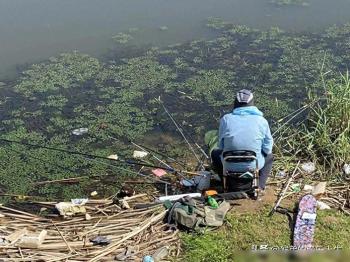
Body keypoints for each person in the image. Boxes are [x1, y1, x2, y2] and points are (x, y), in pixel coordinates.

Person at [210, 89, 273, 191]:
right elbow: (267, 149)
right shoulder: (262, 121)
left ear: (235, 103)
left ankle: (225, 183)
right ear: (252, 104)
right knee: (270, 157)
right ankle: (260, 187)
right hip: (254, 164)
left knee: (214, 153)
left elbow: (220, 146)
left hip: (228, 165)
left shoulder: (226, 119)